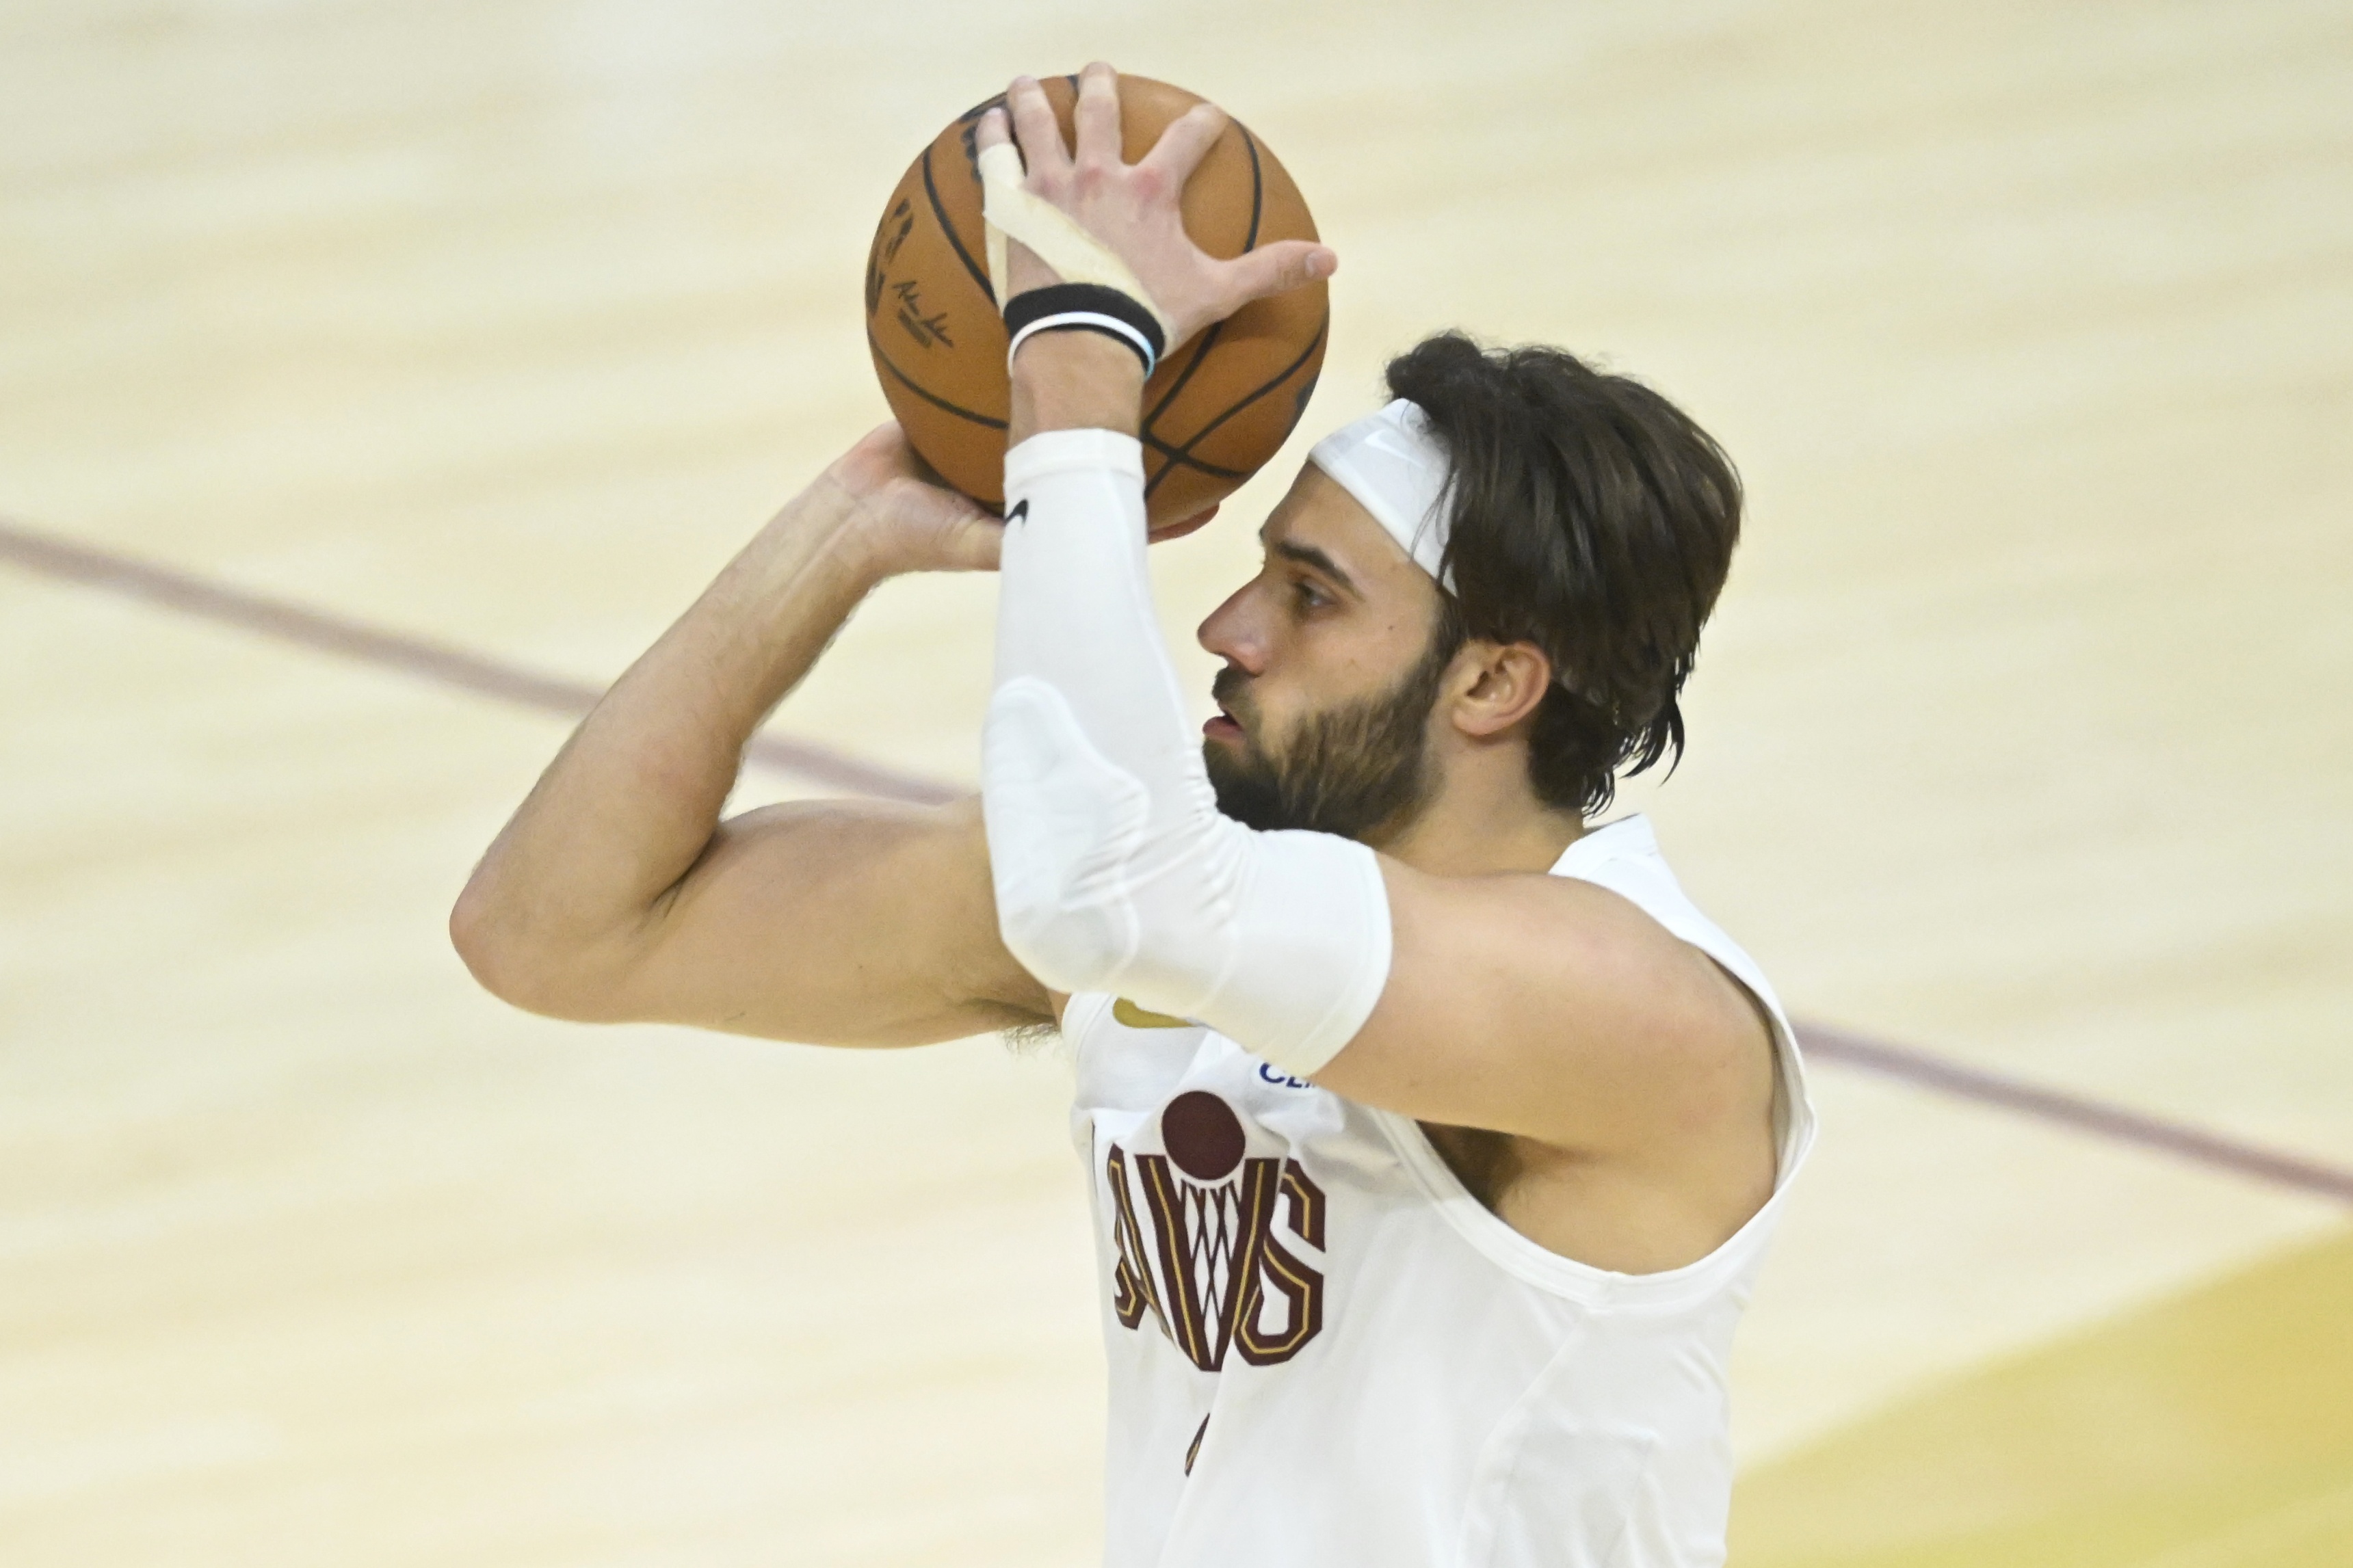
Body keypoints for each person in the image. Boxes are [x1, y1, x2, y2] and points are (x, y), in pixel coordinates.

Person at [453, 62, 1812, 1568]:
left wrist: (1082, 365)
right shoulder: (1164, 903)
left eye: (1310, 596)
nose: (1227, 625)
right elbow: (552, 929)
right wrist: (849, 522)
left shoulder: (1641, 1014)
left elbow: (1112, 885)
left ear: (1492, 681)